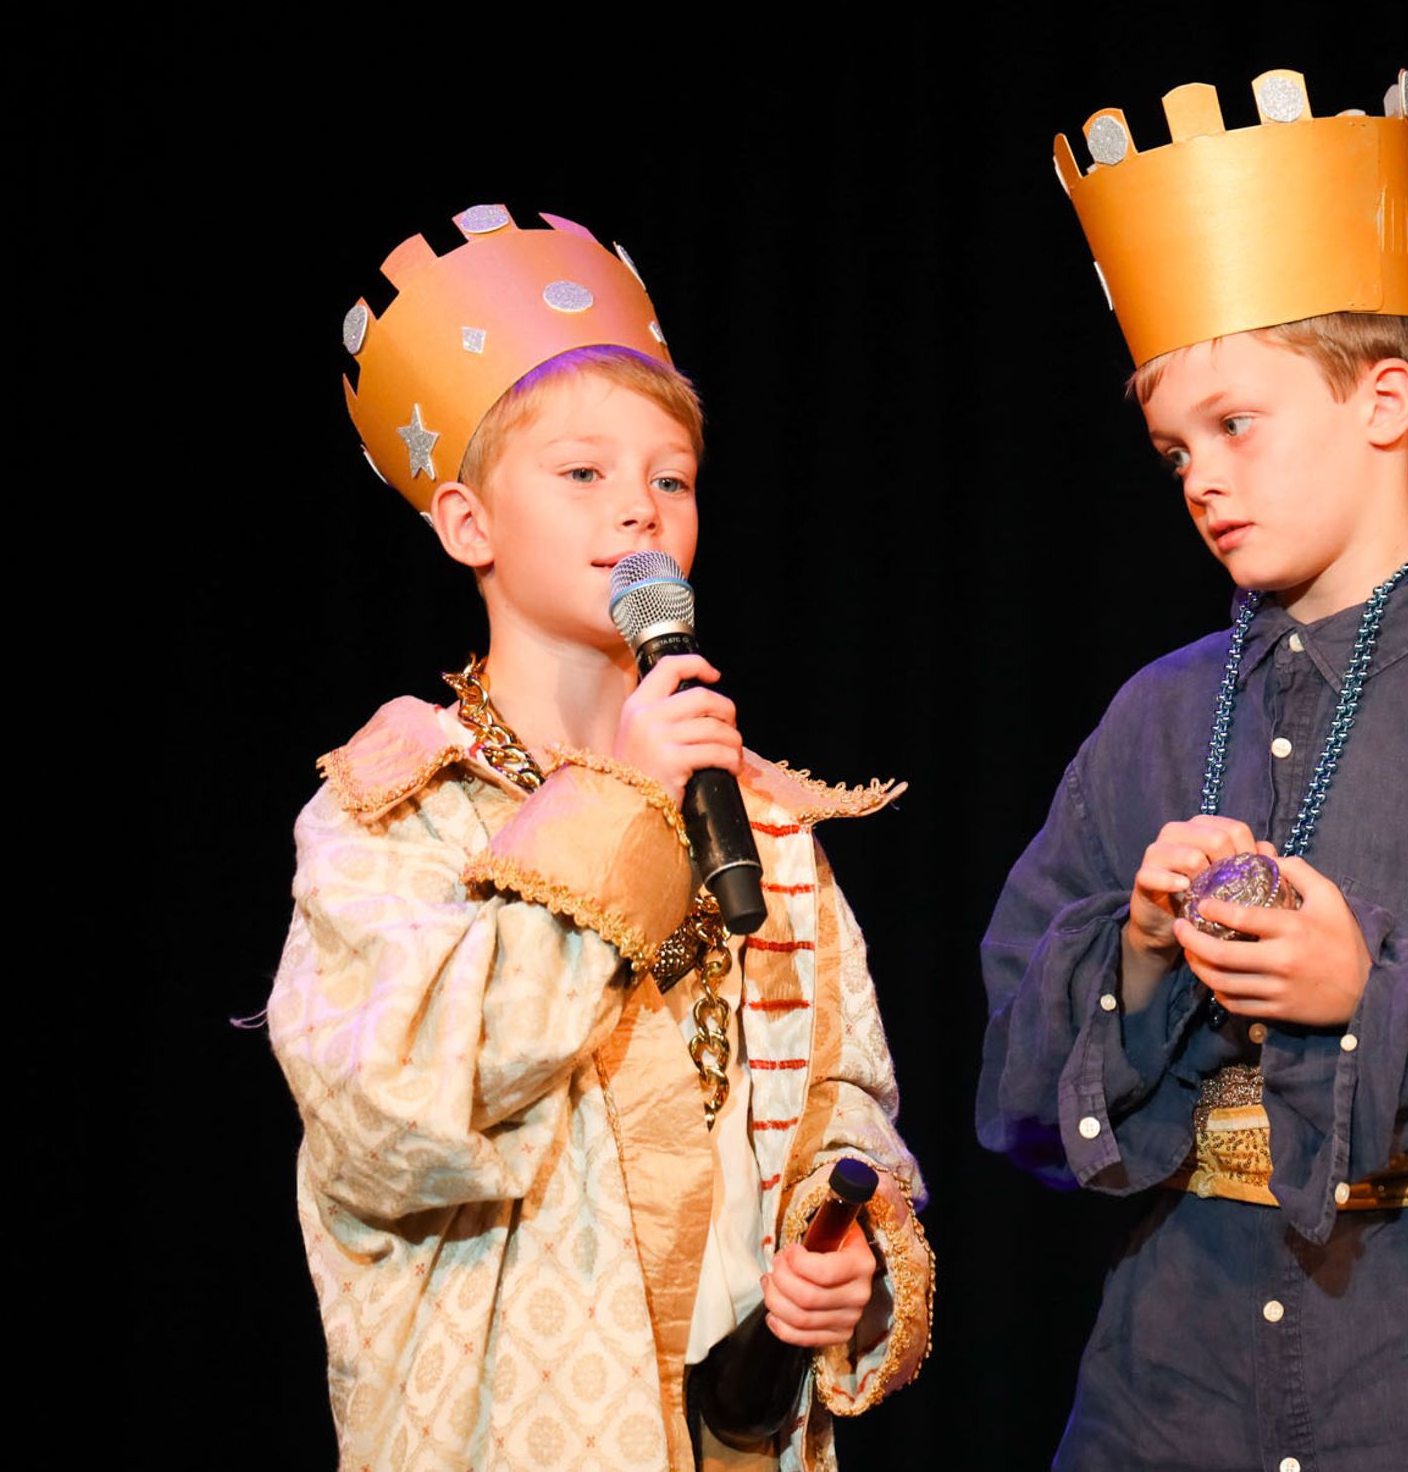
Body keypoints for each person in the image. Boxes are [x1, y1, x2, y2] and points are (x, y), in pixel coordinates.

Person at [977, 68, 1408, 1471]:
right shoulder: (1156, 713)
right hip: (1174, 1394)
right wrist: (1136, 958)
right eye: (1174, 449)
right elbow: (1013, 1074)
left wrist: (1367, 992)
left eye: (1235, 423)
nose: (1200, 477)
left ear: (1384, 399)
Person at [269, 204, 932, 1472]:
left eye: (670, 480)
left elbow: (842, 1087)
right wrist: (621, 803)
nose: (639, 508)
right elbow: (385, 1118)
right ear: (468, 523)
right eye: (583, 474)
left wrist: (841, 1235)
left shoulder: (754, 814)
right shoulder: (394, 810)